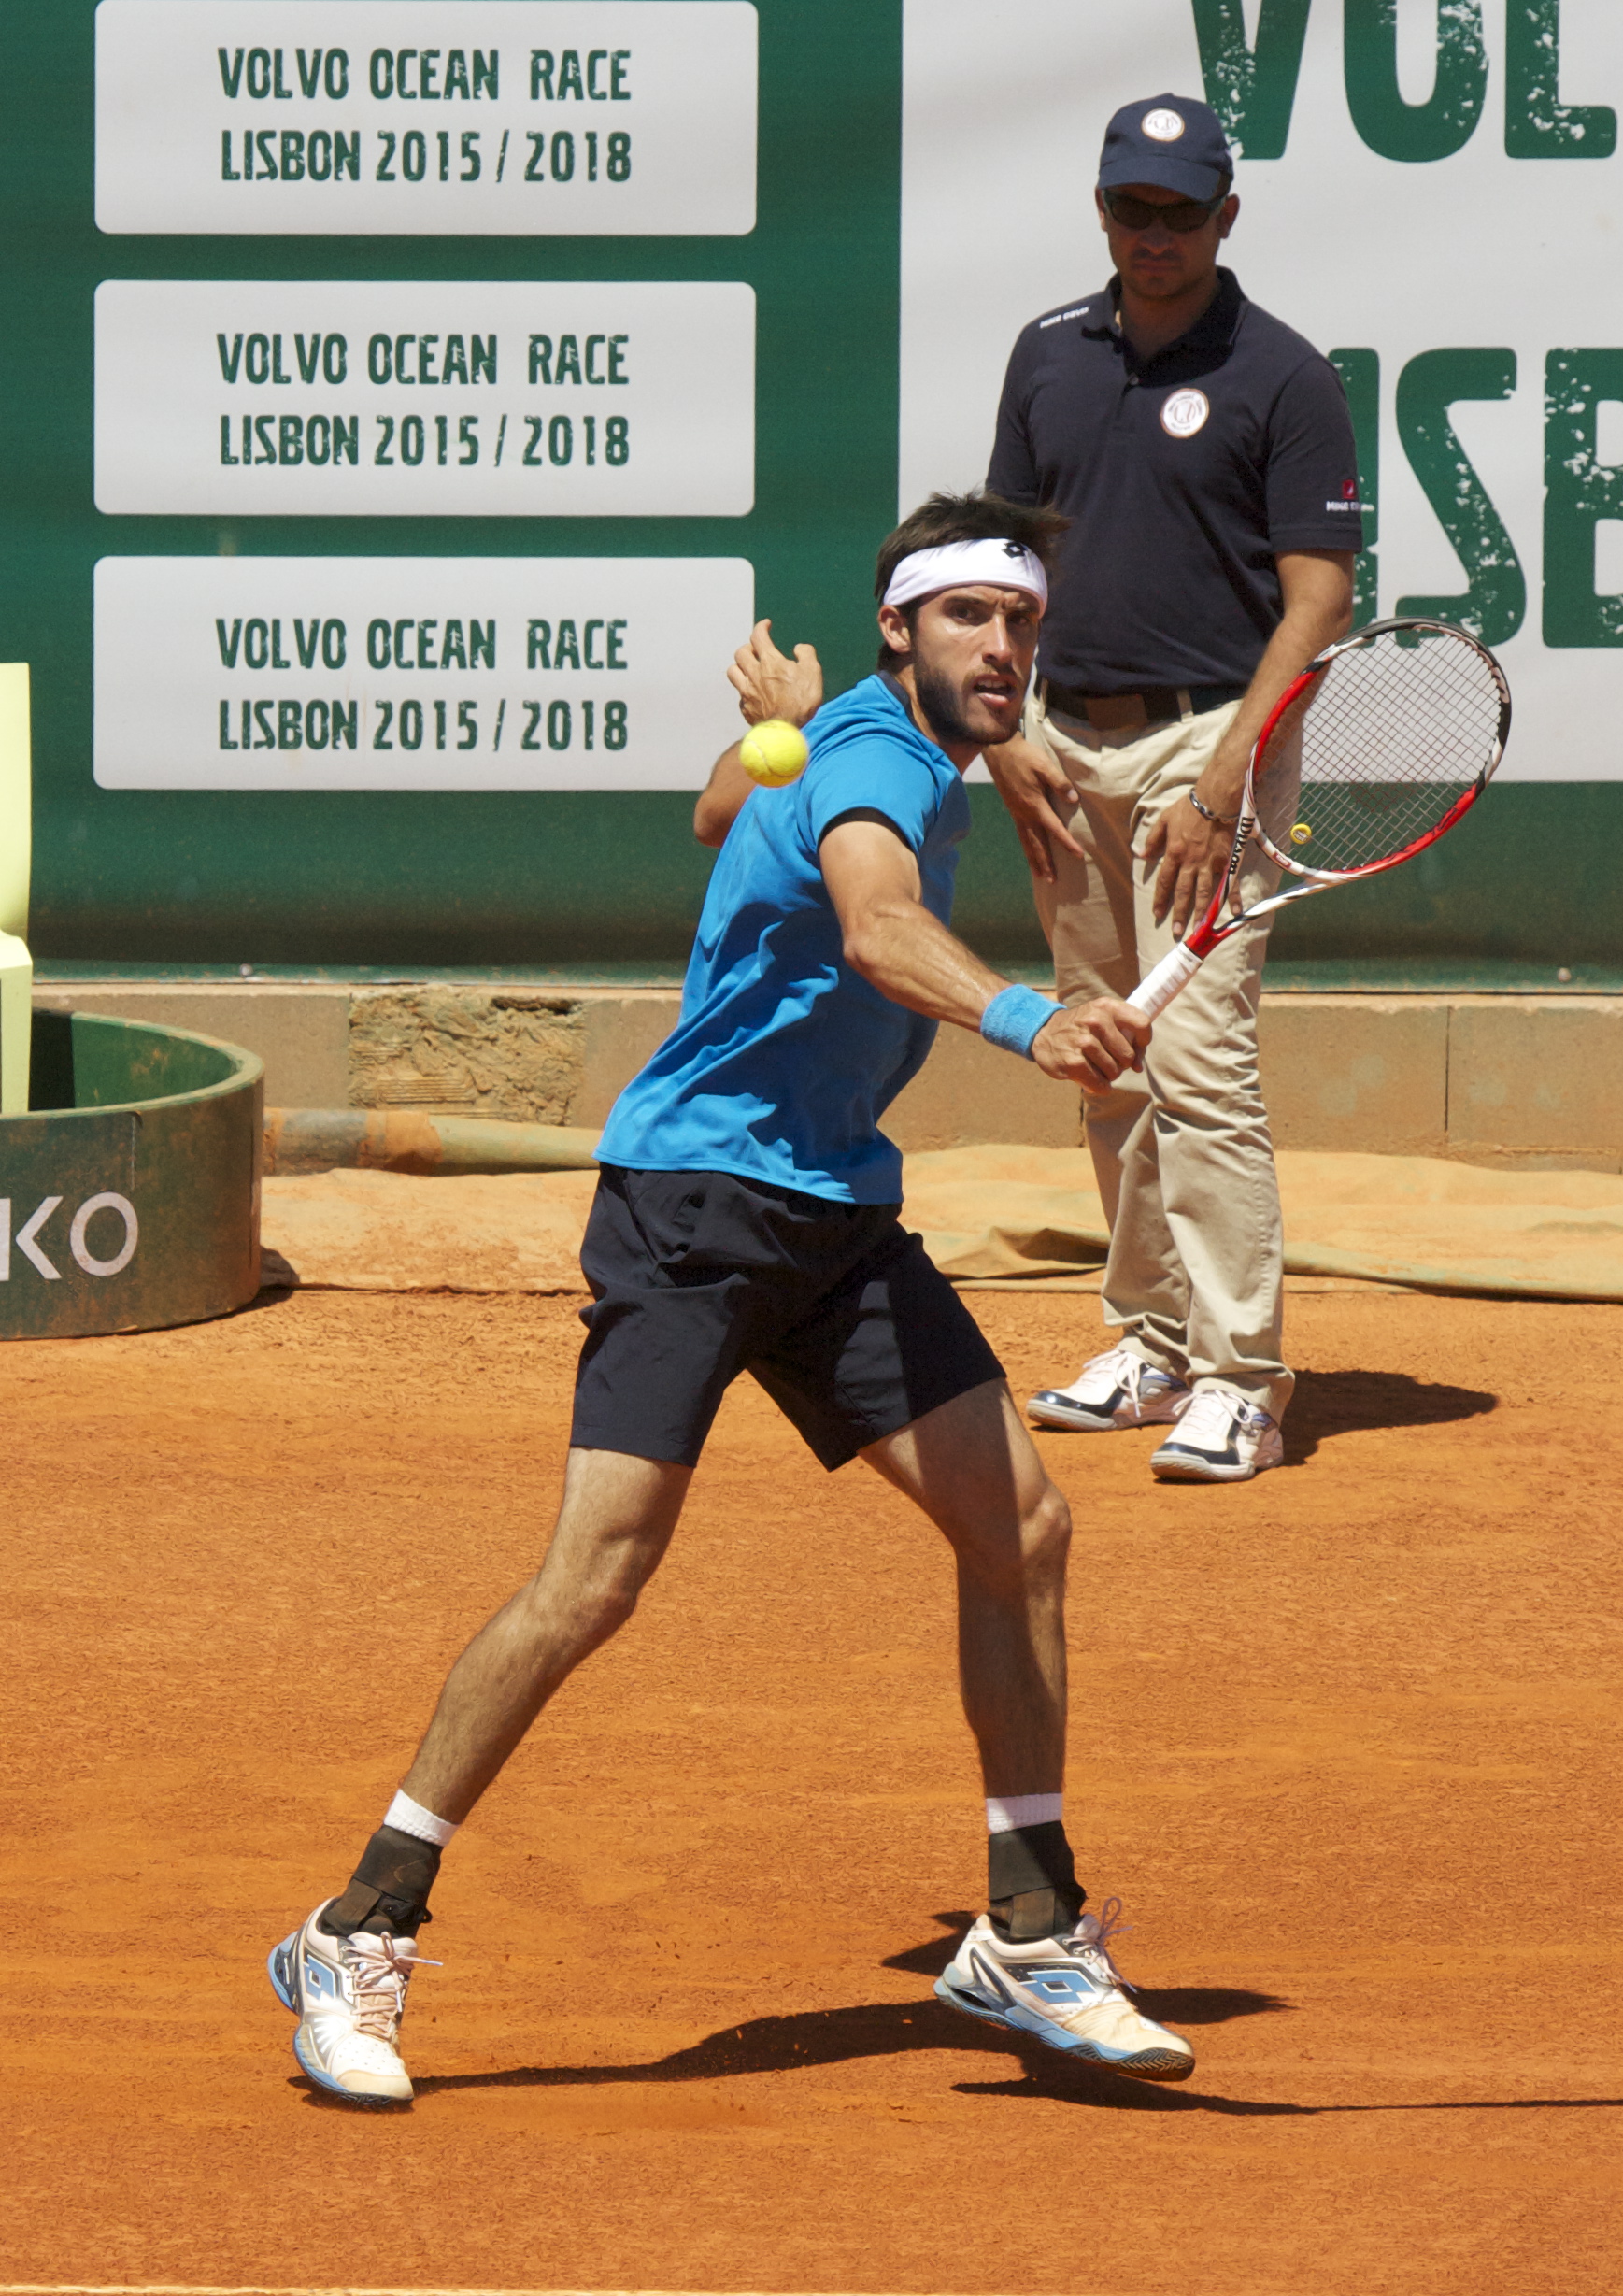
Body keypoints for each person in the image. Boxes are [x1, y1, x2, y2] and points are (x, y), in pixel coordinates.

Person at [268, 491, 1199, 2104]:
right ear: (902, 625)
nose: (1004, 646)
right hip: (695, 1206)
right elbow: (879, 925)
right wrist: (1029, 1018)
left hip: (835, 1213)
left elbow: (720, 810)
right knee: (594, 1580)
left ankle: (1030, 1927)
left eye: (1023, 622)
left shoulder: (860, 738)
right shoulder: (878, 759)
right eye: (970, 616)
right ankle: (356, 1926)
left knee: (1022, 1527)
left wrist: (792, 735)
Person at [984, 93, 1359, 1483]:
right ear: (1101, 211)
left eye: (1182, 212)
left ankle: (1241, 1378)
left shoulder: (1286, 376)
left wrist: (1228, 769)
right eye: (1133, 209)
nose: (1156, 235)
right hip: (1061, 753)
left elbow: (1318, 597)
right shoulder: (1046, 352)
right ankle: (1150, 1341)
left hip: (1208, 753)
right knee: (1104, 1058)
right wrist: (1004, 729)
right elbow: (1003, 561)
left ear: (1225, 216)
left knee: (1199, 1064)